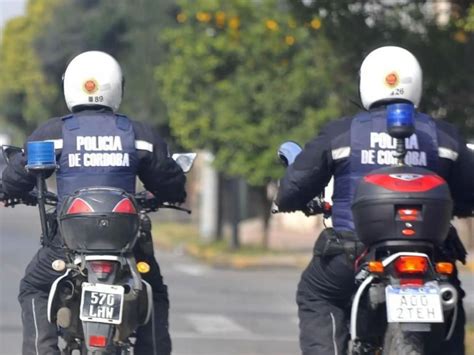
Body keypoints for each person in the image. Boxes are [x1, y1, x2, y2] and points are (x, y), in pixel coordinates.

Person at [275, 46, 474, 355]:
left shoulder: (342, 133)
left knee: (317, 294)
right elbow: (469, 192)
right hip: (431, 257)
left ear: (366, 83)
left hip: (354, 252)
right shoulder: (445, 136)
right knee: (451, 299)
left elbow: (292, 190)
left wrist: (293, 198)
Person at [1, 51, 186, 355]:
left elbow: (17, 177)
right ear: (117, 87)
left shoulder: (54, 134)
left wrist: (9, 191)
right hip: (127, 246)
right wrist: (170, 195)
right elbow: (170, 182)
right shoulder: (138, 135)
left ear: (69, 86)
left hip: (67, 247)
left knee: (34, 287)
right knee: (153, 290)